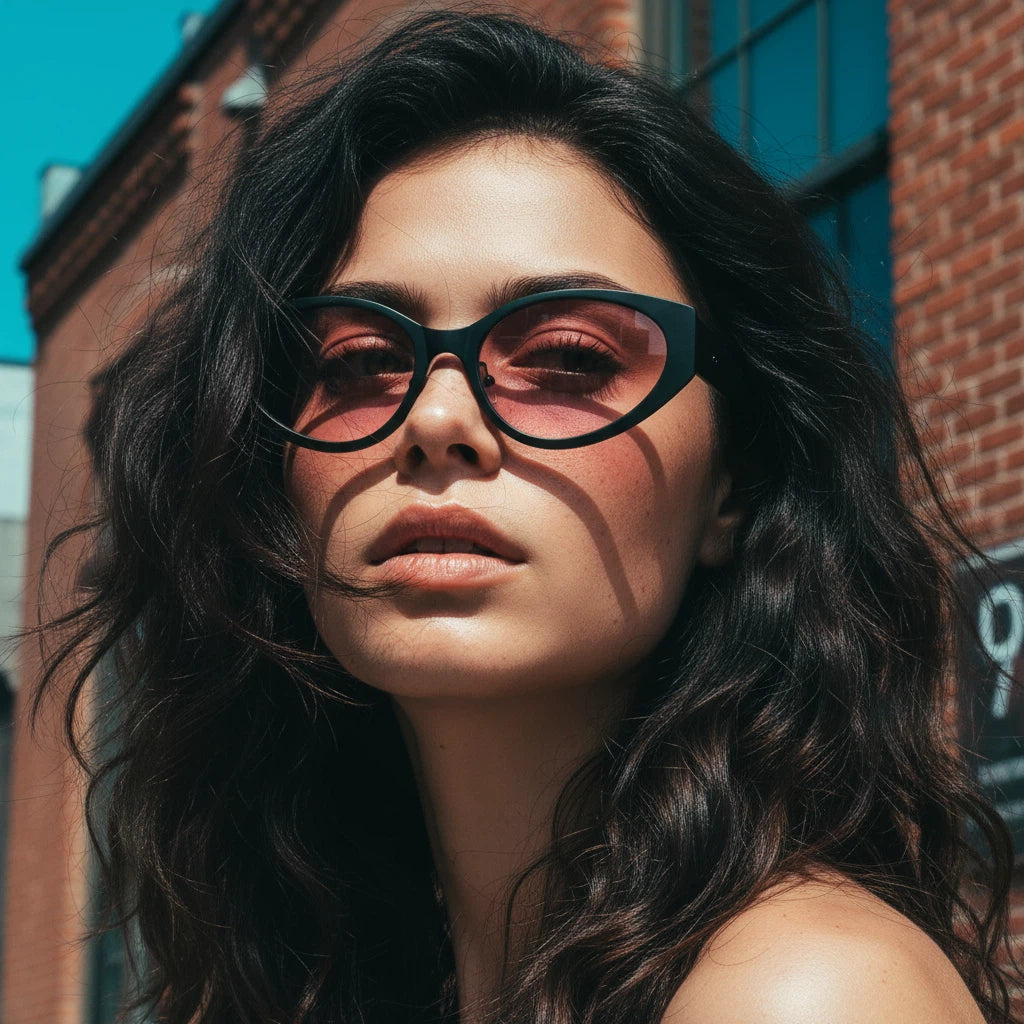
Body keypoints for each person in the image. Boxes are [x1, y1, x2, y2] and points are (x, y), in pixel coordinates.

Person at [32, 7, 1023, 1024]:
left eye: (569, 358)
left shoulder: (798, 994)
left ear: (732, 485)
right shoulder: (365, 977)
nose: (437, 417)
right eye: (358, 362)